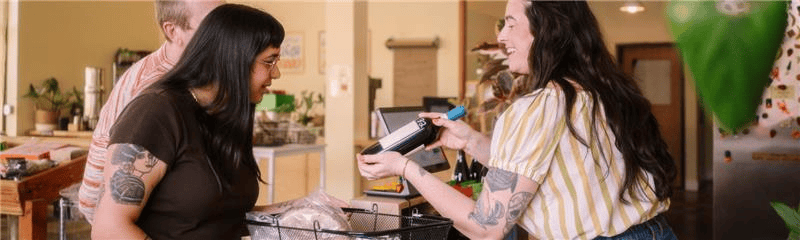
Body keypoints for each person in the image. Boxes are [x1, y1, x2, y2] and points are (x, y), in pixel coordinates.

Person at [357, 1, 678, 239]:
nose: (501, 36)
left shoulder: (538, 107)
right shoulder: (602, 91)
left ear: (547, 30)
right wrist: (470, 141)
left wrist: (404, 167)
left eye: (510, 24)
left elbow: (486, 228)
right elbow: (543, 167)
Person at [90, 4, 284, 239]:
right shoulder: (156, 111)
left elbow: (220, 216)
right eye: (269, 61)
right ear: (234, 58)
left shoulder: (224, 115)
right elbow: (109, 229)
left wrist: (301, 212)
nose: (276, 73)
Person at [78, 0, 222, 224]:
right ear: (172, 31)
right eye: (211, 24)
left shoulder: (195, 75)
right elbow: (107, 210)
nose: (224, 32)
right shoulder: (154, 88)